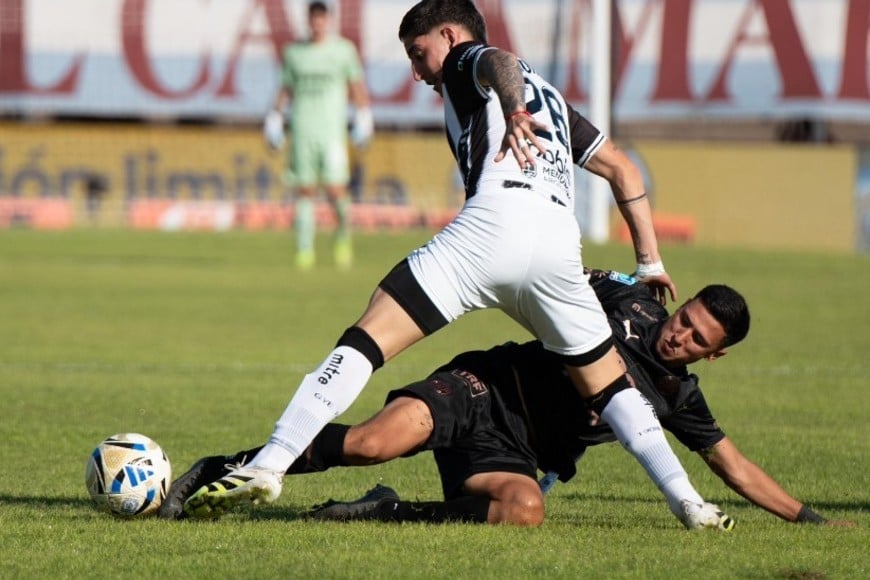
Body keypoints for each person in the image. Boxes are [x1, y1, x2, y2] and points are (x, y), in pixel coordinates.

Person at [184, 0, 719, 528]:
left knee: (365, 341)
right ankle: (688, 503)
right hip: (557, 249)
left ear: (448, 36)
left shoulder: (468, 61)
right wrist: (649, 262)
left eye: (419, 55)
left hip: (492, 230)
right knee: (613, 389)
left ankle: (271, 463)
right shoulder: (553, 98)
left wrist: (511, 110)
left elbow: (498, 61)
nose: (417, 73)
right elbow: (623, 170)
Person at [160, 269, 835, 527]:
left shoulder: (681, 402)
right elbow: (554, 269)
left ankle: (383, 515)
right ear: (679, 304)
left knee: (525, 510)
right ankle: (226, 468)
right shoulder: (625, 302)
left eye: (695, 340)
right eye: (684, 319)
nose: (678, 337)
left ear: (713, 356)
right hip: (480, 388)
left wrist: (809, 521)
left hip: (512, 451)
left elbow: (734, 467)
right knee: (370, 443)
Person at [264, 0, 373, 270]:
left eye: (321, 18)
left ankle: (343, 239)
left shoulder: (343, 51)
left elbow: (356, 85)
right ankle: (304, 251)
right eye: (313, 18)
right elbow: (286, 88)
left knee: (336, 190)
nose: (317, 23)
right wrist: (275, 117)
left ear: (328, 20)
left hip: (332, 131)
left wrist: (363, 115)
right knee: (304, 190)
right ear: (308, 20)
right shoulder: (295, 52)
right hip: (302, 129)